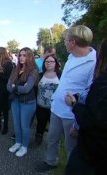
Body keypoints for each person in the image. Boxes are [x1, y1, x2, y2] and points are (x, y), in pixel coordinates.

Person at [36, 25, 96, 172]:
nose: (64, 42)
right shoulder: (70, 57)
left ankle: (70, 169)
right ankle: (51, 161)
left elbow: (89, 94)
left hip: (72, 114)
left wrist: (77, 124)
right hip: (57, 109)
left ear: (73, 42)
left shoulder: (93, 63)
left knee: (71, 147)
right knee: (52, 139)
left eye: (65, 40)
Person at [64, 38, 107, 175]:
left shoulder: (102, 82)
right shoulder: (70, 58)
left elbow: (93, 119)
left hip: (93, 152)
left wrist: (74, 105)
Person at [7, 47, 38, 157]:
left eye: (24, 55)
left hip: (28, 103)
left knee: (25, 126)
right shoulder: (15, 69)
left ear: (29, 56)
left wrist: (15, 87)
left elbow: (27, 89)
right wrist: (18, 87)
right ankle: (18, 142)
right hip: (15, 101)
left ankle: (24, 146)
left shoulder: (33, 70)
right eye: (20, 55)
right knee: (16, 124)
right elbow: (8, 86)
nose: (21, 57)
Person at [35, 54, 61, 145]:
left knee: (54, 128)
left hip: (55, 108)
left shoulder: (60, 75)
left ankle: (54, 144)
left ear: (56, 63)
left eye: (51, 61)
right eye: (47, 61)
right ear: (44, 63)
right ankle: (38, 137)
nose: (49, 63)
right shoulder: (40, 75)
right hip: (41, 106)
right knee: (40, 124)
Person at [0, 47, 14, 135]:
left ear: (0, 54)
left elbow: (9, 78)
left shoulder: (9, 64)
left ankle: (5, 126)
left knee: (5, 110)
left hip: (5, 91)